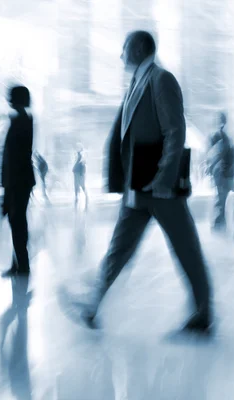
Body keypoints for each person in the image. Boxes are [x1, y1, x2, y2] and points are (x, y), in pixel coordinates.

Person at [74, 31, 212, 335]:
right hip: (138, 184)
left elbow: (175, 131)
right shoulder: (139, 81)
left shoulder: (161, 79)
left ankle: (203, 313)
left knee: (185, 248)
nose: (120, 54)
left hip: (159, 188)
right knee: (119, 247)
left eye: (123, 47)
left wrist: (164, 178)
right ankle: (93, 303)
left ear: (137, 48)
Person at [1, 85, 35, 278]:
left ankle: (22, 264)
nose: (8, 99)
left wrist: (7, 186)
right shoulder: (23, 119)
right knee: (18, 221)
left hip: (17, 179)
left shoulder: (20, 120)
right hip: (20, 179)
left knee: (17, 221)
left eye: (11, 96)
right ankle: (19, 262)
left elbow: (13, 157)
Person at [207, 111, 234, 232]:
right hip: (220, 174)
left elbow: (227, 156)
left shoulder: (224, 137)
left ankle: (219, 223)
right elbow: (213, 155)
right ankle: (218, 223)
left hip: (224, 174)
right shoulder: (217, 137)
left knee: (222, 198)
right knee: (221, 198)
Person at [72, 142, 88, 208]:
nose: (76, 148)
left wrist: (82, 173)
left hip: (79, 173)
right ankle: (77, 197)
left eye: (78, 147)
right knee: (76, 185)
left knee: (81, 185)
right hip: (76, 172)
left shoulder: (82, 155)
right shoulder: (77, 155)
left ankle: (86, 196)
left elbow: (83, 165)